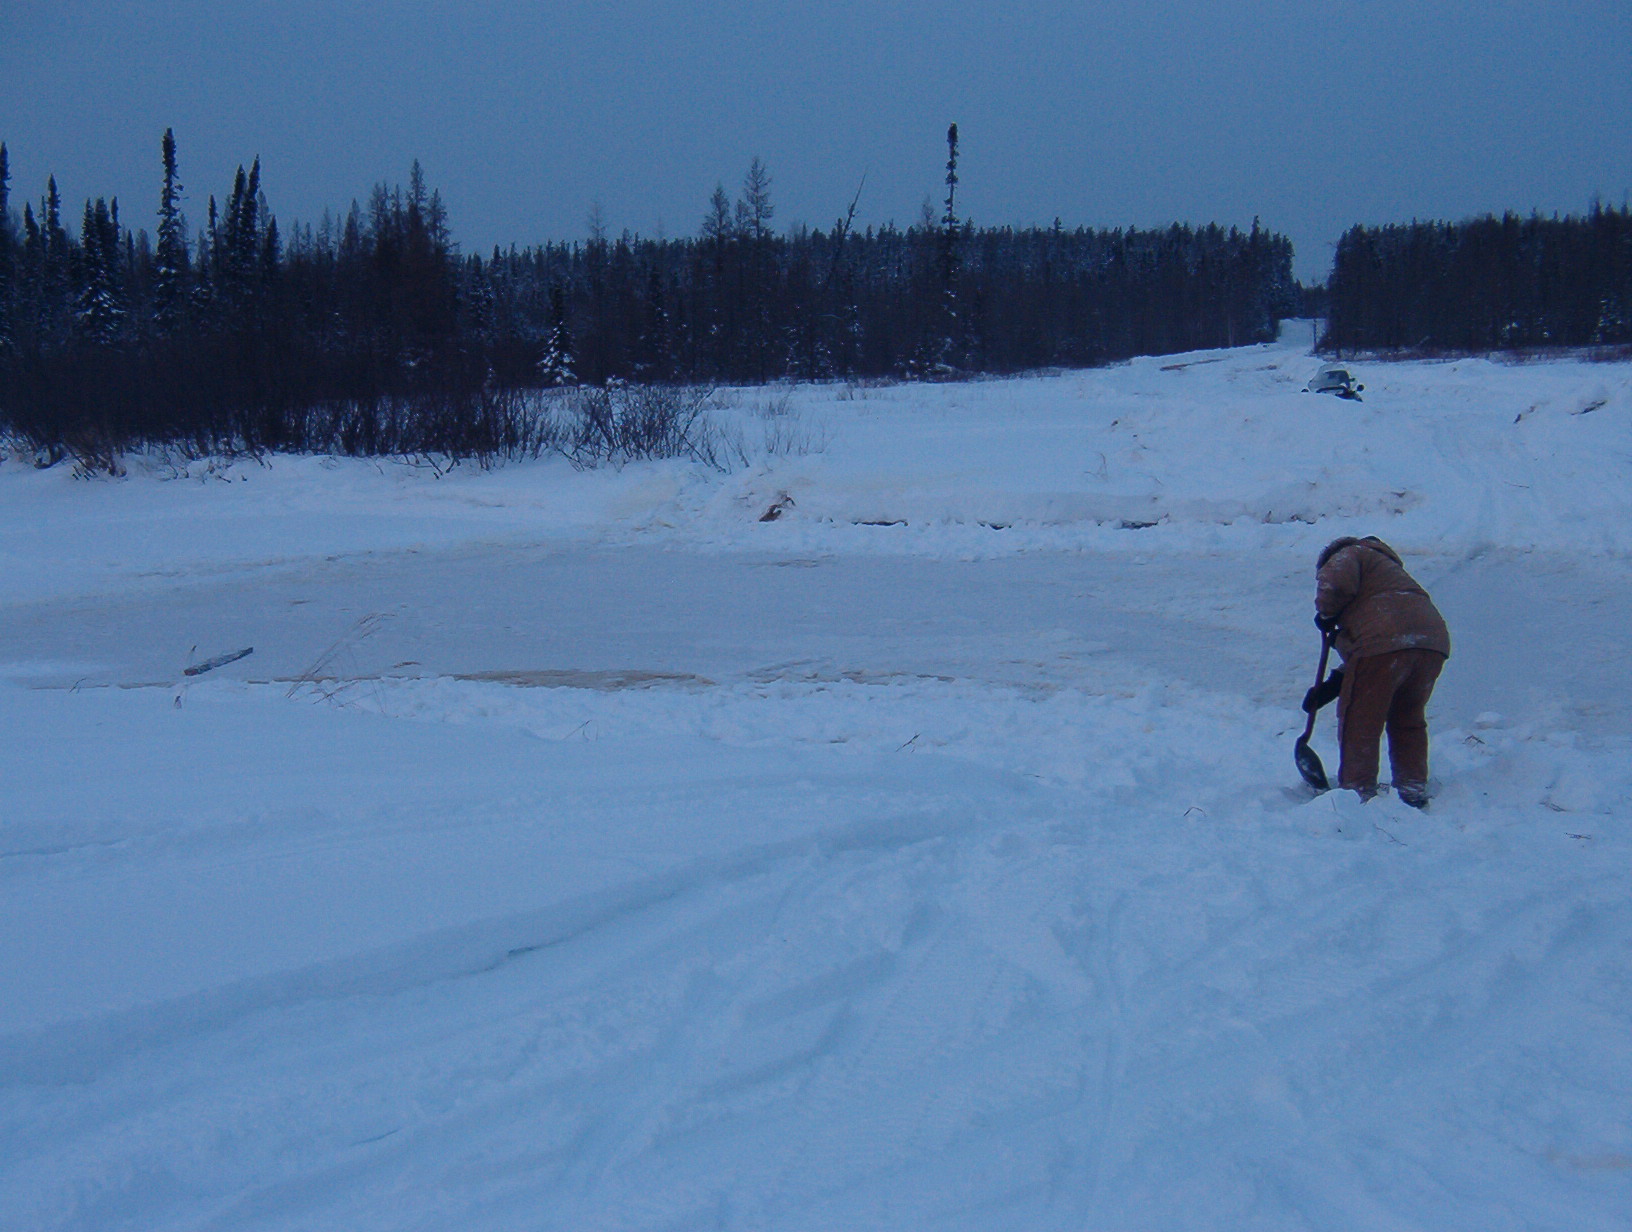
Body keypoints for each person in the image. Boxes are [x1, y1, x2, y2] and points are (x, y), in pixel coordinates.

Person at [1303, 536, 1450, 807]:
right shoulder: (1389, 579)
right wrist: (1333, 685)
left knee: (1360, 718)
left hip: (1387, 641)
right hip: (1431, 643)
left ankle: (1357, 791)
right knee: (1407, 717)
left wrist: (1326, 613)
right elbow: (1370, 659)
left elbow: (1334, 585)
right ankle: (1412, 786)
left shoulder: (1351, 553)